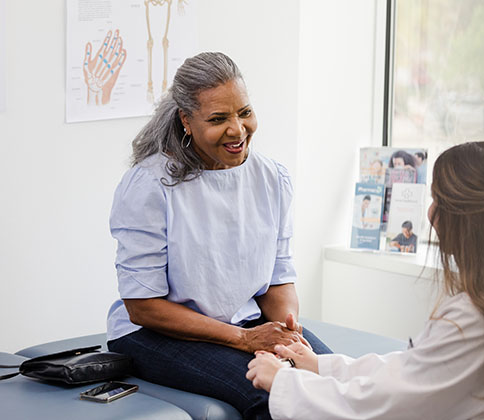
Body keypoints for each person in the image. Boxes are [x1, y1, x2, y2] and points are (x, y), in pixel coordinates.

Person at [246, 142, 484, 420]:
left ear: (464, 219)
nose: (430, 214)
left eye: (437, 201)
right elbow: (415, 369)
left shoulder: (473, 315)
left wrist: (285, 382)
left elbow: (392, 403)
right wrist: (323, 366)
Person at [106, 52, 331, 420]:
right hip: (153, 335)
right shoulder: (149, 185)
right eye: (218, 119)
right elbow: (142, 305)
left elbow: (278, 277)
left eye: (244, 112)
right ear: (186, 121)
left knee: (330, 381)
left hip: (244, 324)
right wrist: (245, 340)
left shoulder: (271, 177)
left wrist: (286, 334)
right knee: (275, 398)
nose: (238, 130)